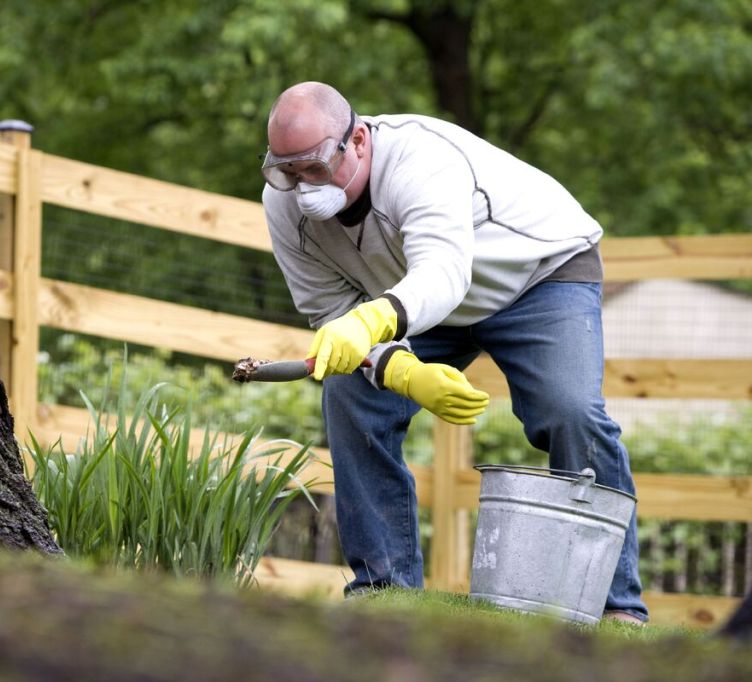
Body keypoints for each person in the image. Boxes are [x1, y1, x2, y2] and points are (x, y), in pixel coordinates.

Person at [259, 81, 647, 624]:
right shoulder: (284, 209)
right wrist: (394, 365)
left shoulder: (420, 158)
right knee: (350, 393)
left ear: (360, 140)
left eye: (316, 167)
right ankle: (385, 591)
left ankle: (616, 607)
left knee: (569, 411)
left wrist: (372, 321)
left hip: (537, 274)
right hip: (418, 304)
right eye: (287, 171)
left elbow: (444, 271)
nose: (303, 187)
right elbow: (331, 314)